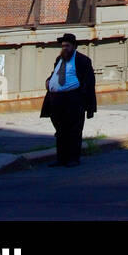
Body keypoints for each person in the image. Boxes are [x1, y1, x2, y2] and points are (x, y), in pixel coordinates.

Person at [40, 33, 96, 168]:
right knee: (60, 130)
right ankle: (61, 158)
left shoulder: (82, 60)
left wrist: (86, 103)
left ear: (74, 47)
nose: (65, 48)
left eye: (67, 46)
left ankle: (73, 158)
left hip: (73, 99)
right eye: (63, 46)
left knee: (74, 130)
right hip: (57, 100)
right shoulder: (60, 59)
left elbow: (89, 82)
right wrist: (49, 81)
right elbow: (55, 74)